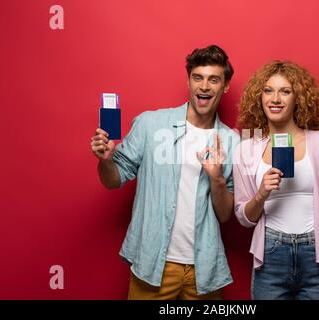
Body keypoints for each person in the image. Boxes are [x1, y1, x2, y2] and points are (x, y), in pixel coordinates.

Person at [90, 45, 240, 300]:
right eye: (198, 78)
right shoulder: (151, 124)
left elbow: (225, 214)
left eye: (214, 79)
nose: (204, 86)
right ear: (188, 81)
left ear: (225, 86)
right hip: (153, 263)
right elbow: (114, 180)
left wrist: (215, 177)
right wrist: (106, 161)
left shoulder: (232, 141)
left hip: (204, 268)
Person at [232, 60, 319, 300]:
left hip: (316, 253)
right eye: (268, 90)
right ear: (260, 97)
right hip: (271, 255)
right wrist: (261, 193)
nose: (275, 98)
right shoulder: (246, 148)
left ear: (297, 98)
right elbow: (244, 218)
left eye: (285, 91)